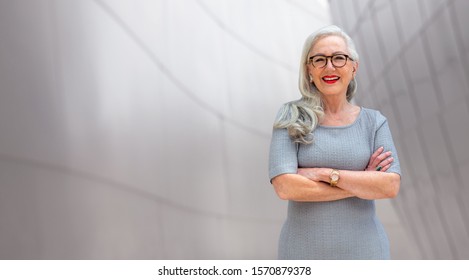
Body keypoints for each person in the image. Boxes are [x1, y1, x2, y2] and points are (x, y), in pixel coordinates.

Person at [268, 25, 401, 259]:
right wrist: (361, 183)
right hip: (302, 255)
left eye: (339, 58)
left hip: (366, 254)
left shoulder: (374, 122)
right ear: (309, 69)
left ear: (354, 67)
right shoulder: (290, 116)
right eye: (319, 59)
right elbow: (285, 186)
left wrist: (325, 173)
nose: (329, 67)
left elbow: (389, 186)